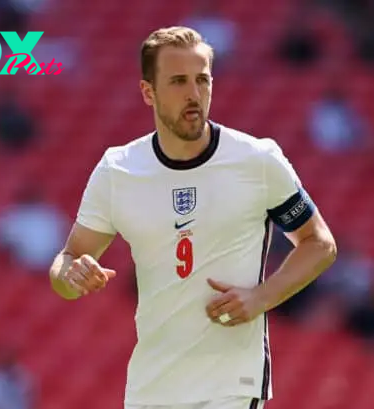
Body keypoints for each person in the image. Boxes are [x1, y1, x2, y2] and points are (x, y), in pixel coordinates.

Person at [48, 26, 337, 409]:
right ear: (148, 92)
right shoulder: (117, 170)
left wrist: (262, 296)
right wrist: (70, 275)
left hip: (230, 384)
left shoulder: (257, 160)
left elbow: (319, 244)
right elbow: (67, 264)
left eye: (202, 80)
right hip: (151, 388)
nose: (194, 94)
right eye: (179, 81)